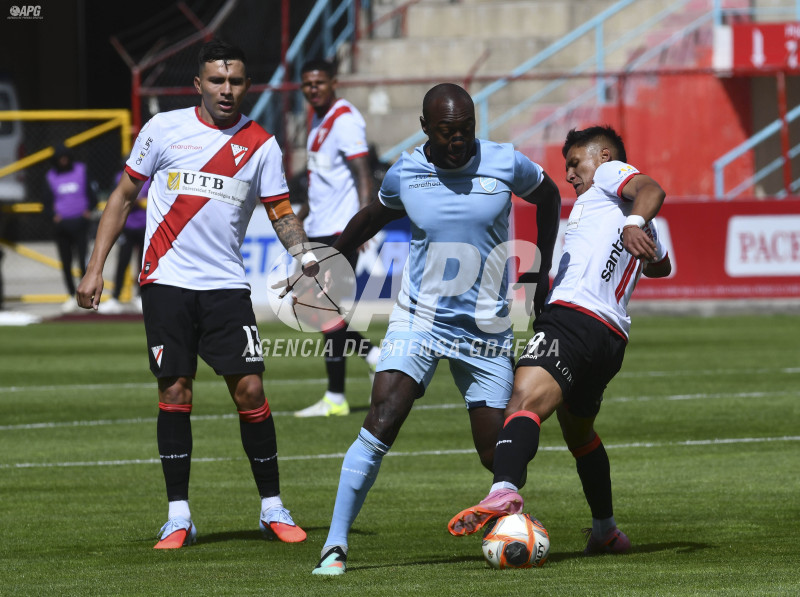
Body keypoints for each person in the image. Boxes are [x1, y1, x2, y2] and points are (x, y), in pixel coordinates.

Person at [76, 39, 320, 549]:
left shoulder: (263, 144)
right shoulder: (162, 128)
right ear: (199, 85)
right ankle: (178, 516)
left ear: (247, 85)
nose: (225, 90)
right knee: (174, 392)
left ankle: (273, 508)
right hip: (166, 283)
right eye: (216, 81)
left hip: (226, 286)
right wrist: (94, 268)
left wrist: (304, 255)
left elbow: (279, 211)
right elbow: (122, 197)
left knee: (250, 391)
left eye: (234, 82)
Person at [310, 83, 561, 575]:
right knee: (382, 417)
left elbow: (549, 196)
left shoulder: (505, 162)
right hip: (418, 320)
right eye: (448, 132)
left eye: (466, 129)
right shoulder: (407, 171)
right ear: (426, 128)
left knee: (498, 454)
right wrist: (332, 258)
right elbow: (373, 216)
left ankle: (509, 518)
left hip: (486, 330)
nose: (459, 141)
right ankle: (335, 546)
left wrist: (540, 270)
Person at [447, 125, 672, 556]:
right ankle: (605, 531)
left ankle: (504, 489)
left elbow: (651, 188)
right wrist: (636, 235)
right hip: (609, 339)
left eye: (575, 163)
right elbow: (661, 266)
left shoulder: (611, 179)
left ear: (604, 157)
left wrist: (632, 224)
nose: (569, 174)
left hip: (574, 321)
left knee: (523, 400)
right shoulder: (624, 212)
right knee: (580, 434)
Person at [293, 58, 380, 418]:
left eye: (319, 82)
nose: (313, 89)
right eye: (307, 83)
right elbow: (323, 179)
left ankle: (336, 397)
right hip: (319, 226)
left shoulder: (344, 120)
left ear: (333, 82)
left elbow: (364, 172)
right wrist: (301, 215)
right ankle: (372, 355)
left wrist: (363, 224)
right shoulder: (317, 119)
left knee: (325, 311)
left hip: (341, 231)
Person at [45, 144, 95, 313]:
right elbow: (45, 203)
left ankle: (85, 295)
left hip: (80, 224)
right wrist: (54, 216)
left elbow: (92, 195)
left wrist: (87, 211)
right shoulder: (51, 176)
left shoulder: (81, 170)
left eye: (65, 157)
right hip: (63, 228)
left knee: (83, 262)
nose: (63, 160)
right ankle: (70, 295)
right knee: (66, 263)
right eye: (60, 158)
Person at [103, 171, 149, 314]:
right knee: (122, 262)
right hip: (126, 226)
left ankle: (141, 296)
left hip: (145, 226)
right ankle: (115, 297)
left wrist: (140, 201)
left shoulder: (151, 176)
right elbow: (117, 197)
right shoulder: (120, 177)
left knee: (144, 264)